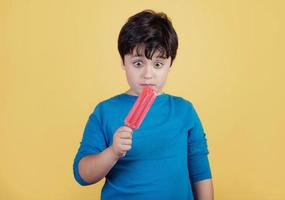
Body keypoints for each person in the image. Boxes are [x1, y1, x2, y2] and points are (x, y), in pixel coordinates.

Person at [73, 9, 214, 200]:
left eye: (158, 64)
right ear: (123, 61)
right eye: (138, 63)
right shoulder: (105, 112)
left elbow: (200, 173)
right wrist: (112, 152)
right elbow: (82, 175)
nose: (148, 75)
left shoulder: (184, 111)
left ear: (170, 63)